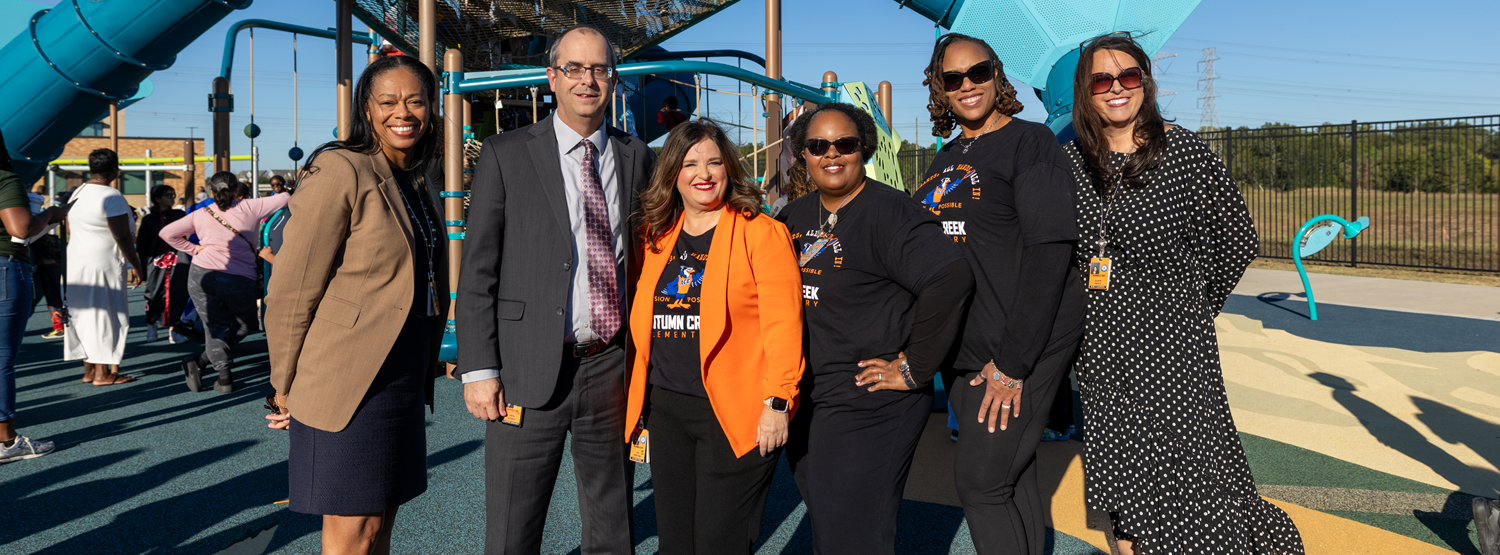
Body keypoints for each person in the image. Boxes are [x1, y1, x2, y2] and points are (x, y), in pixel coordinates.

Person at [1063, 33, 1303, 554]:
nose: (1116, 88)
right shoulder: (1071, 162)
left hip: (1174, 344)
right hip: (1103, 348)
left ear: (1145, 82)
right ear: (1086, 91)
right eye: (1102, 79)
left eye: (1128, 76)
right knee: (1121, 474)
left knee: (1190, 472)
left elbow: (1238, 240)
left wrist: (1194, 307)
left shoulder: (1183, 152)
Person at [456, 25, 655, 555]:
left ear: (613, 79)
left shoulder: (639, 157)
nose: (587, 80)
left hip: (611, 364)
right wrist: (480, 371)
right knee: (512, 527)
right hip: (525, 369)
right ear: (551, 77)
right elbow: (478, 271)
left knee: (613, 524)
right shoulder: (505, 154)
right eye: (574, 68)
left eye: (599, 69)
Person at [263, 54, 447, 555]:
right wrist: (283, 382)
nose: (402, 112)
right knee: (354, 526)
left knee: (381, 518)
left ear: (431, 108)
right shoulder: (340, 168)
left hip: (401, 371)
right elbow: (292, 288)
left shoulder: (414, 176)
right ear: (367, 110)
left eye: (415, 101)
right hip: (348, 376)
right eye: (388, 101)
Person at [911, 33, 1086, 555]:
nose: (967, 85)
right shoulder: (945, 158)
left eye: (978, 72)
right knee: (1014, 479)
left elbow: (1050, 256)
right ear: (939, 90)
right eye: (952, 78)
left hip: (1021, 343)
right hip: (965, 347)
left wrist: (1011, 363)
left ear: (997, 76)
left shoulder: (1030, 143)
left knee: (982, 483)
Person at [777, 102, 973, 555]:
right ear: (803, 154)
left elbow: (950, 277)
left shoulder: (891, 211)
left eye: (845, 144)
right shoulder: (793, 217)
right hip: (810, 394)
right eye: (818, 145)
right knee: (831, 518)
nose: (832, 154)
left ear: (863, 149)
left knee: (853, 531)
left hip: (870, 398)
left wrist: (915, 367)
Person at [622, 120, 803, 554]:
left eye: (714, 162)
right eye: (690, 164)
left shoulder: (761, 232)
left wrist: (778, 402)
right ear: (673, 175)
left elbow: (784, 325)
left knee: (719, 542)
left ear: (729, 169)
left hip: (734, 411)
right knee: (675, 543)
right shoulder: (656, 237)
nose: (703, 173)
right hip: (667, 409)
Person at [161, 172, 287, 393]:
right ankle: (222, 376)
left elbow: (167, 233)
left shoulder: (201, 213)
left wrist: (194, 249)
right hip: (239, 278)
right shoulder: (251, 207)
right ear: (237, 190)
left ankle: (207, 366)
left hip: (202, 274)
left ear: (212, 192)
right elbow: (286, 198)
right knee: (246, 325)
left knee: (215, 326)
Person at [0, 131, 70, 463]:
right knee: (2, 359)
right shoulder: (5, 179)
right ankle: (6, 440)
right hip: (4, 267)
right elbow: (21, 228)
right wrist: (51, 216)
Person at [63, 149, 144, 386]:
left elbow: (69, 228)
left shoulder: (77, 192)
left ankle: (89, 370)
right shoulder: (112, 195)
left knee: (84, 313)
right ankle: (103, 373)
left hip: (77, 260)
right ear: (114, 171)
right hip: (104, 261)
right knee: (107, 313)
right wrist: (136, 265)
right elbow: (122, 237)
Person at [136, 185, 186, 342]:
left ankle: (174, 331)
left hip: (178, 261)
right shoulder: (149, 220)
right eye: (167, 195)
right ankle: (152, 327)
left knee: (178, 294)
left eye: (173, 194)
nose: (172, 198)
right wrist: (140, 267)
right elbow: (142, 244)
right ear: (157, 199)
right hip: (155, 262)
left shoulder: (179, 215)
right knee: (153, 294)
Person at [26, 183, 66, 340]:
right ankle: (61, 324)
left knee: (52, 295)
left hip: (45, 263)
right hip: (46, 262)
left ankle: (60, 325)